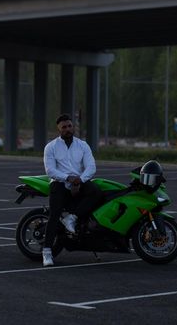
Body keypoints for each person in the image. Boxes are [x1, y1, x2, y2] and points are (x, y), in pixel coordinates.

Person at [42, 113, 103, 267]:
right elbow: (50, 170)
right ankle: (47, 252)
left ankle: (72, 217)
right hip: (59, 182)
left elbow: (91, 166)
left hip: (79, 182)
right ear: (59, 129)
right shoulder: (51, 147)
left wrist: (80, 181)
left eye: (70, 126)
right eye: (64, 127)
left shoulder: (83, 145)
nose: (68, 129)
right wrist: (68, 178)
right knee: (54, 213)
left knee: (96, 192)